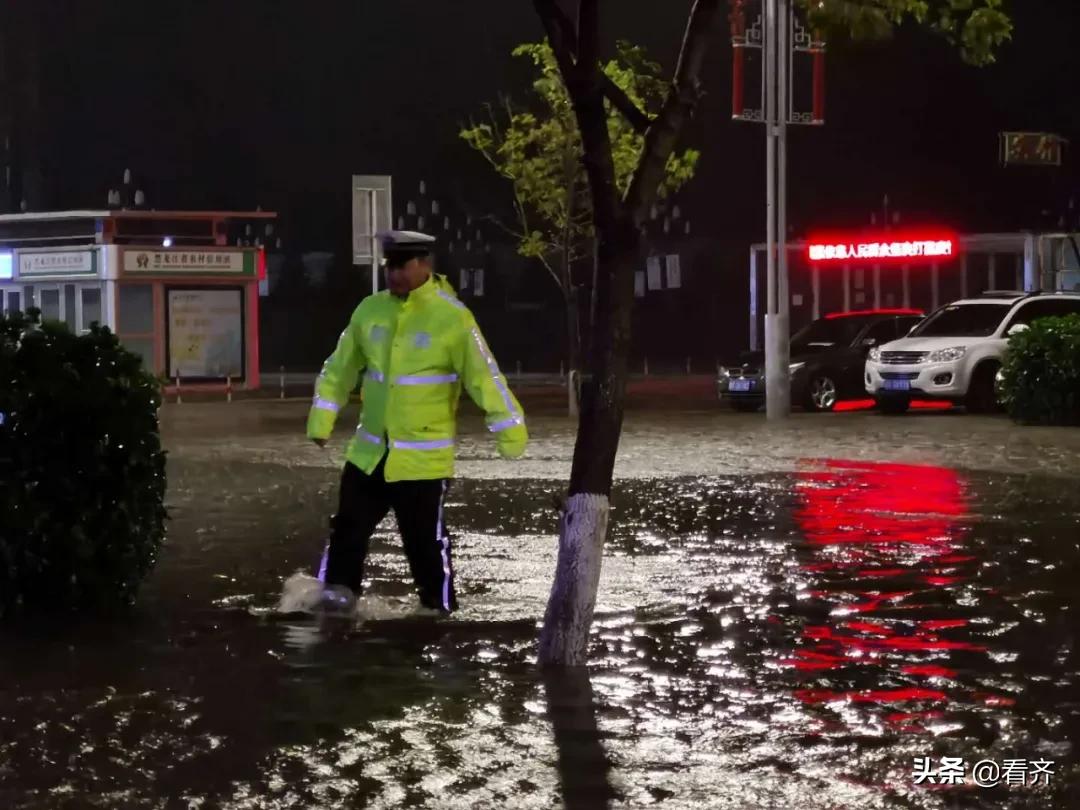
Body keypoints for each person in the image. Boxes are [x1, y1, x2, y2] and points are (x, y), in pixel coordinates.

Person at [306, 230, 528, 615]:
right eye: (389, 266)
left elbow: (484, 376)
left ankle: (439, 613)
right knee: (346, 533)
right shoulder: (369, 311)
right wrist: (322, 420)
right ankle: (335, 606)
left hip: (423, 462)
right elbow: (338, 370)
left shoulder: (453, 318)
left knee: (425, 544)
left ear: (424, 264)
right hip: (370, 454)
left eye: (402, 266)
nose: (393, 274)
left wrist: (509, 429)